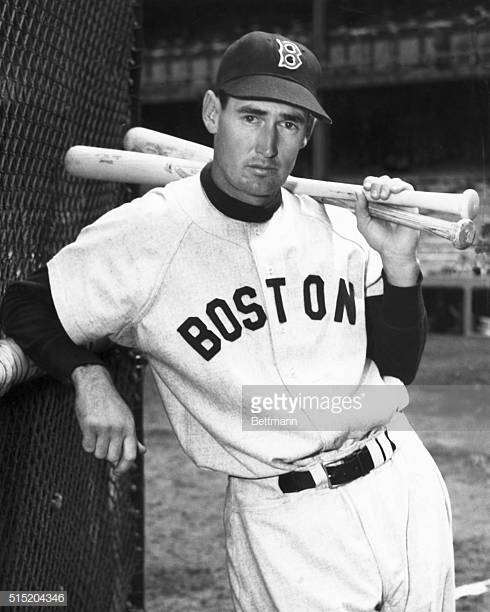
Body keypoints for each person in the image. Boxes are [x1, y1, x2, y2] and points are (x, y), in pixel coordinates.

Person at [1, 31, 454, 611]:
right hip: (287, 518)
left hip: (402, 477)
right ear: (214, 114)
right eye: (251, 115)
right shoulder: (149, 233)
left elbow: (398, 367)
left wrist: (398, 262)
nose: (267, 143)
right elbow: (27, 301)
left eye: (288, 123)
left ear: (307, 134)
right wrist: (87, 376)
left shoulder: (339, 223)